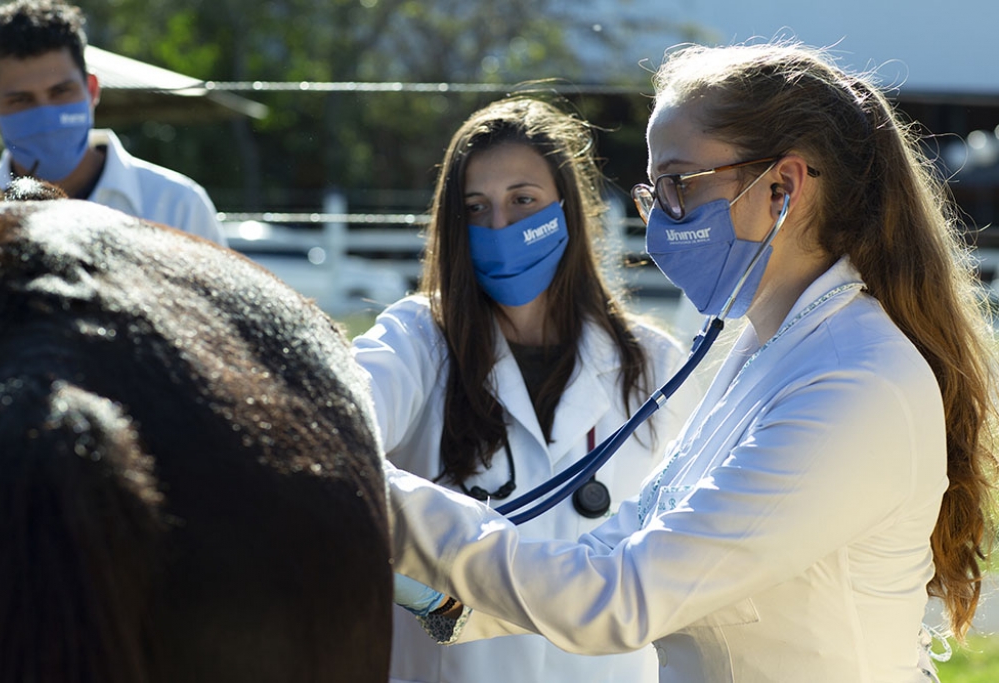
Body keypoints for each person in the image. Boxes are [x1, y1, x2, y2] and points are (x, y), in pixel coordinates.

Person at [388, 42, 998, 683]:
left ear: (782, 187)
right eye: (657, 191)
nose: (659, 225)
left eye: (680, 184)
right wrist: (435, 590)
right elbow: (619, 540)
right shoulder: (770, 349)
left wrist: (379, 492)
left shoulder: (856, 383)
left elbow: (624, 598)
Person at [353, 96, 700, 682]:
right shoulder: (416, 339)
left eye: (523, 201)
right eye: (476, 208)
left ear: (567, 209)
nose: (500, 228)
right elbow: (342, 416)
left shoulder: (655, 365)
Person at [0, 0, 225, 245]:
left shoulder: (179, 207)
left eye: (61, 91)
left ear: (92, 90)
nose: (46, 114)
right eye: (21, 100)